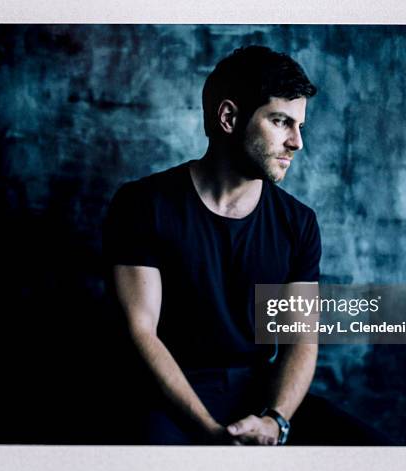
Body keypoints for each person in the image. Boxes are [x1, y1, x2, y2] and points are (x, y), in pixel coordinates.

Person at [103, 45, 321, 445]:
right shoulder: (142, 205)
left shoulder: (298, 223)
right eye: (280, 122)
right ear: (228, 117)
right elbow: (140, 330)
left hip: (261, 396)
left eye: (299, 126)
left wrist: (276, 421)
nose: (296, 143)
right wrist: (211, 432)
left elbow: (301, 338)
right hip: (166, 396)